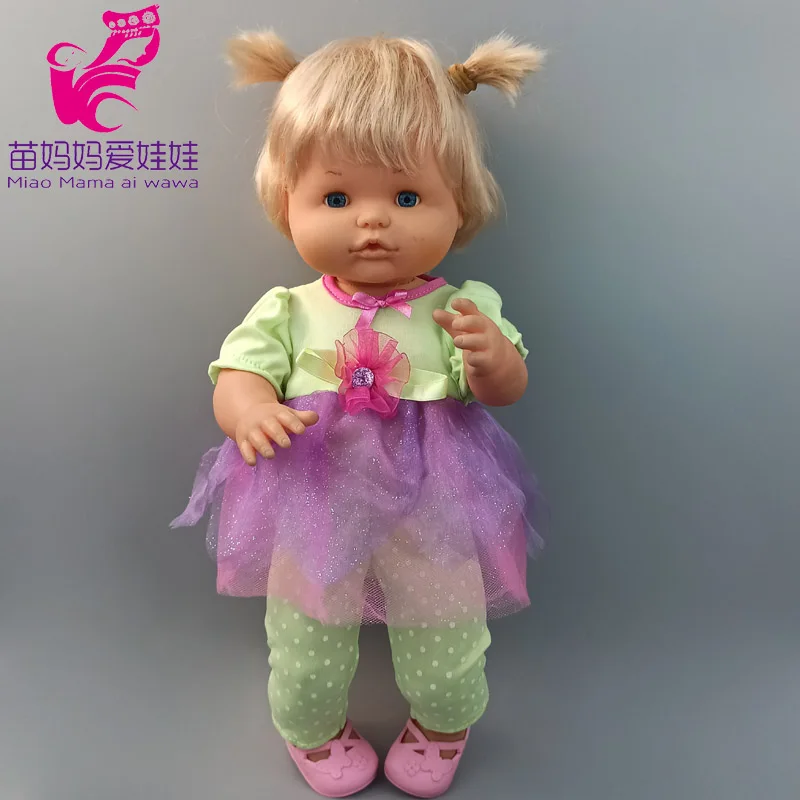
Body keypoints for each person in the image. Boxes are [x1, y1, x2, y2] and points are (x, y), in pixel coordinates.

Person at [172, 28, 546, 798]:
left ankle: (442, 725)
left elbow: (507, 387)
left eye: (407, 197)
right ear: (288, 202)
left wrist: (488, 357)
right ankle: (312, 728)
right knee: (304, 645)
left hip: (436, 507)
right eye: (337, 198)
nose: (372, 222)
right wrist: (249, 410)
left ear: (458, 203)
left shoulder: (462, 306)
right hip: (312, 501)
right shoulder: (289, 309)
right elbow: (236, 373)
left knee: (448, 639)